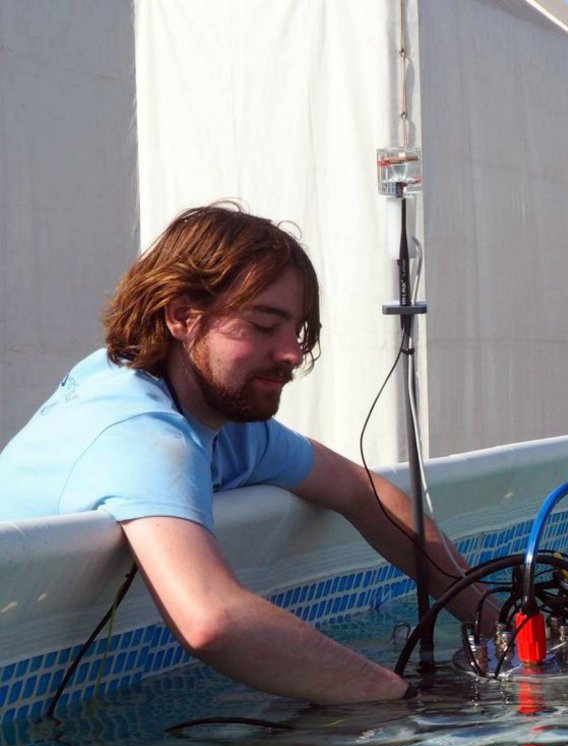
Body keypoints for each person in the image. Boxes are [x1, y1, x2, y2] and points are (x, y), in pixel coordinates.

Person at [0, 203, 486, 705]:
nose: (293, 352)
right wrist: (405, 700)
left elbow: (361, 492)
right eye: (263, 325)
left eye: (295, 330)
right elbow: (214, 620)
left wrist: (498, 621)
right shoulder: (139, 431)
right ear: (182, 316)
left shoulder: (215, 417)